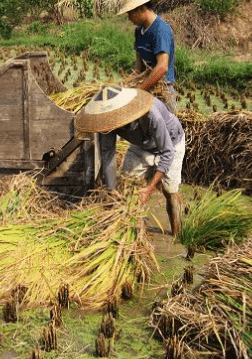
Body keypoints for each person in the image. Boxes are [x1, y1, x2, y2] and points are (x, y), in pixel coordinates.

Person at [75, 86, 184, 236]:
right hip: (141, 144)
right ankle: (133, 233)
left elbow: (167, 152)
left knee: (170, 190)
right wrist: (111, 189)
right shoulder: (108, 122)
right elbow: (108, 153)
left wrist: (150, 188)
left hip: (171, 142)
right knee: (128, 184)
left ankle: (176, 234)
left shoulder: (151, 115)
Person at [117, 0, 177, 113]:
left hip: (162, 91)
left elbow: (162, 67)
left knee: (165, 127)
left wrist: (139, 91)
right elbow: (139, 63)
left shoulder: (160, 30)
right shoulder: (139, 31)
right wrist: (128, 83)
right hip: (145, 88)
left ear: (141, 9)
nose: (129, 18)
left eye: (130, 14)